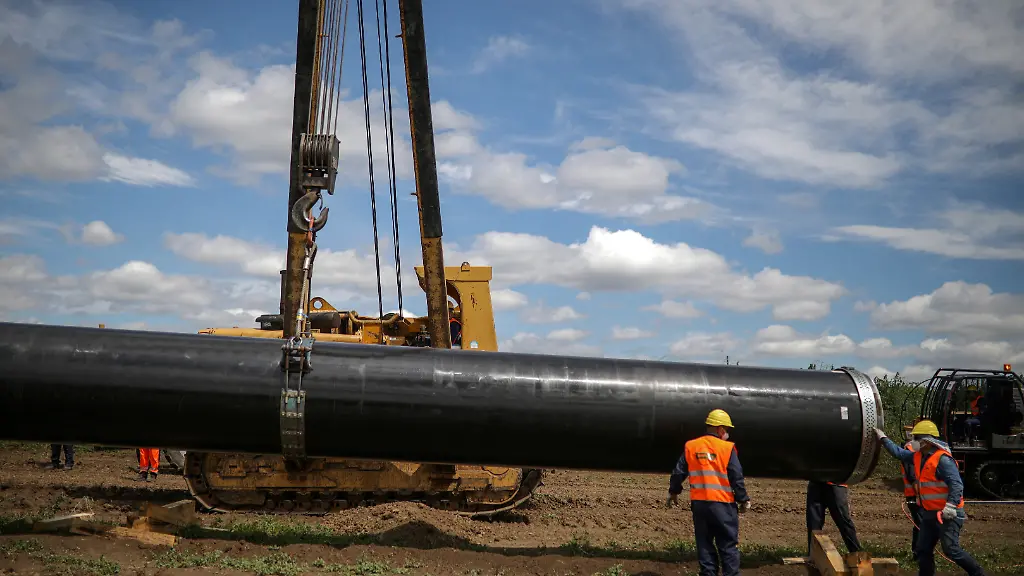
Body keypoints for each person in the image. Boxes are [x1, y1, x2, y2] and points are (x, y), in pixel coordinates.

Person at [876, 421, 986, 576]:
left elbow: (956, 485)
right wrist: (883, 438)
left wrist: (950, 506)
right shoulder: (918, 456)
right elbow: (899, 453)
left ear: (927, 441)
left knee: (951, 549)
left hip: (946, 514)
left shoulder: (943, 460)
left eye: (916, 438)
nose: (913, 442)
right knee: (923, 549)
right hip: (929, 513)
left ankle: (978, 573)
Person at [667, 409, 751, 576]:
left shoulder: (691, 446)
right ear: (720, 429)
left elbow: (678, 472)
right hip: (723, 505)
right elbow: (736, 476)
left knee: (704, 545)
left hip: (700, 506)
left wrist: (673, 491)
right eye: (727, 430)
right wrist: (743, 499)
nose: (727, 433)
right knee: (727, 546)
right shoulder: (727, 448)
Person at [806, 480, 861, 555]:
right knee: (813, 524)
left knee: (843, 521)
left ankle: (857, 554)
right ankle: (813, 556)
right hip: (815, 482)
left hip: (836, 483)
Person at [898, 439, 922, 553]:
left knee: (921, 523)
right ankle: (918, 553)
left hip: (916, 495)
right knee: (921, 524)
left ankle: (919, 552)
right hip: (914, 495)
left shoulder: (914, 449)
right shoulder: (910, 451)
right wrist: (918, 496)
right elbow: (912, 477)